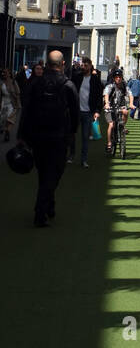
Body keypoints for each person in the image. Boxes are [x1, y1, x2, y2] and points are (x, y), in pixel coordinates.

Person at [16, 49, 78, 227]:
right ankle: (41, 210)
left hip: (38, 136)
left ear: (47, 64)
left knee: (43, 172)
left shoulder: (36, 83)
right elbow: (74, 113)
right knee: (54, 173)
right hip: (58, 136)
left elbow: (26, 110)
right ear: (63, 64)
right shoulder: (68, 85)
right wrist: (72, 133)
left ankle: (48, 204)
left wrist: (22, 135)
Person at [69, 56, 103, 167]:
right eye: (82, 65)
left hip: (88, 112)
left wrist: (97, 111)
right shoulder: (76, 77)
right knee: (72, 134)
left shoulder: (95, 80)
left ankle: (83, 160)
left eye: (85, 65)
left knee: (85, 137)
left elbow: (99, 96)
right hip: (76, 111)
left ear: (90, 66)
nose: (83, 67)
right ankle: (71, 155)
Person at [104, 71, 130, 153]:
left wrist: (132, 103)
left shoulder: (124, 86)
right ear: (114, 78)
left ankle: (123, 126)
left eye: (120, 77)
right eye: (116, 77)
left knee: (126, 112)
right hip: (110, 107)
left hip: (120, 106)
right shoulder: (110, 86)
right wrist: (107, 103)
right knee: (111, 125)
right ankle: (109, 143)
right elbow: (106, 95)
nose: (118, 78)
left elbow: (130, 94)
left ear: (122, 78)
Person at [0, 67, 21, 142]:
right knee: (4, 118)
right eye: (3, 72)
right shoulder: (1, 82)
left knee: (10, 118)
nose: (4, 74)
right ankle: (5, 129)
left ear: (9, 74)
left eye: (6, 73)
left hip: (12, 103)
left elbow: (18, 92)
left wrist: (16, 97)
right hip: (3, 102)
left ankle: (7, 133)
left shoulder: (13, 82)